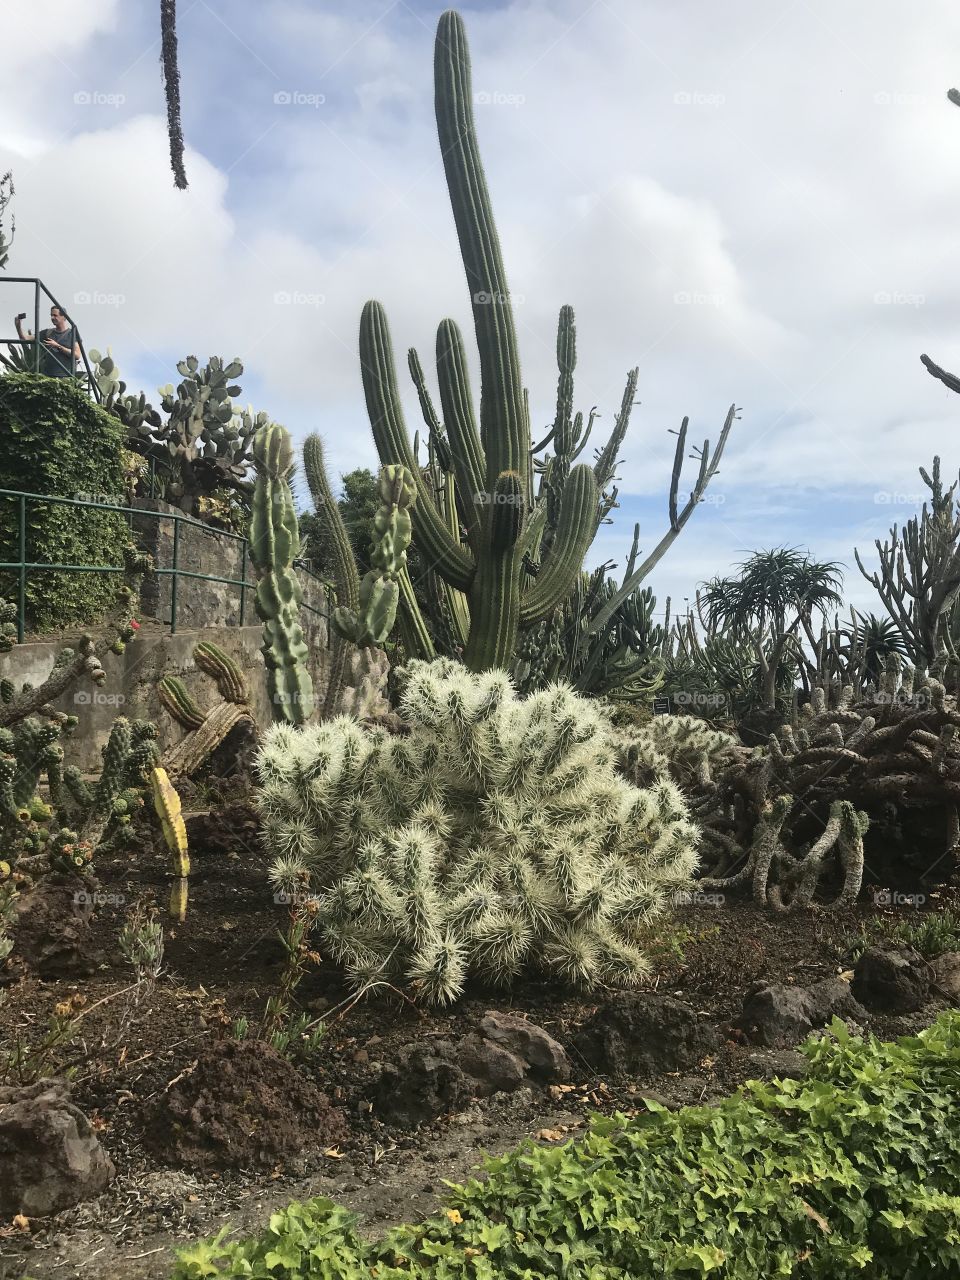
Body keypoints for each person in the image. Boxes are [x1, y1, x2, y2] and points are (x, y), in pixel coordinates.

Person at [14, 305, 80, 377]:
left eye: (55, 315)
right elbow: (25, 338)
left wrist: (58, 346)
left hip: (66, 378)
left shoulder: (72, 334)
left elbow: (77, 355)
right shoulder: (48, 333)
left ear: (63, 316)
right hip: (48, 377)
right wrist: (18, 326)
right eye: (51, 315)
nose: (52, 318)